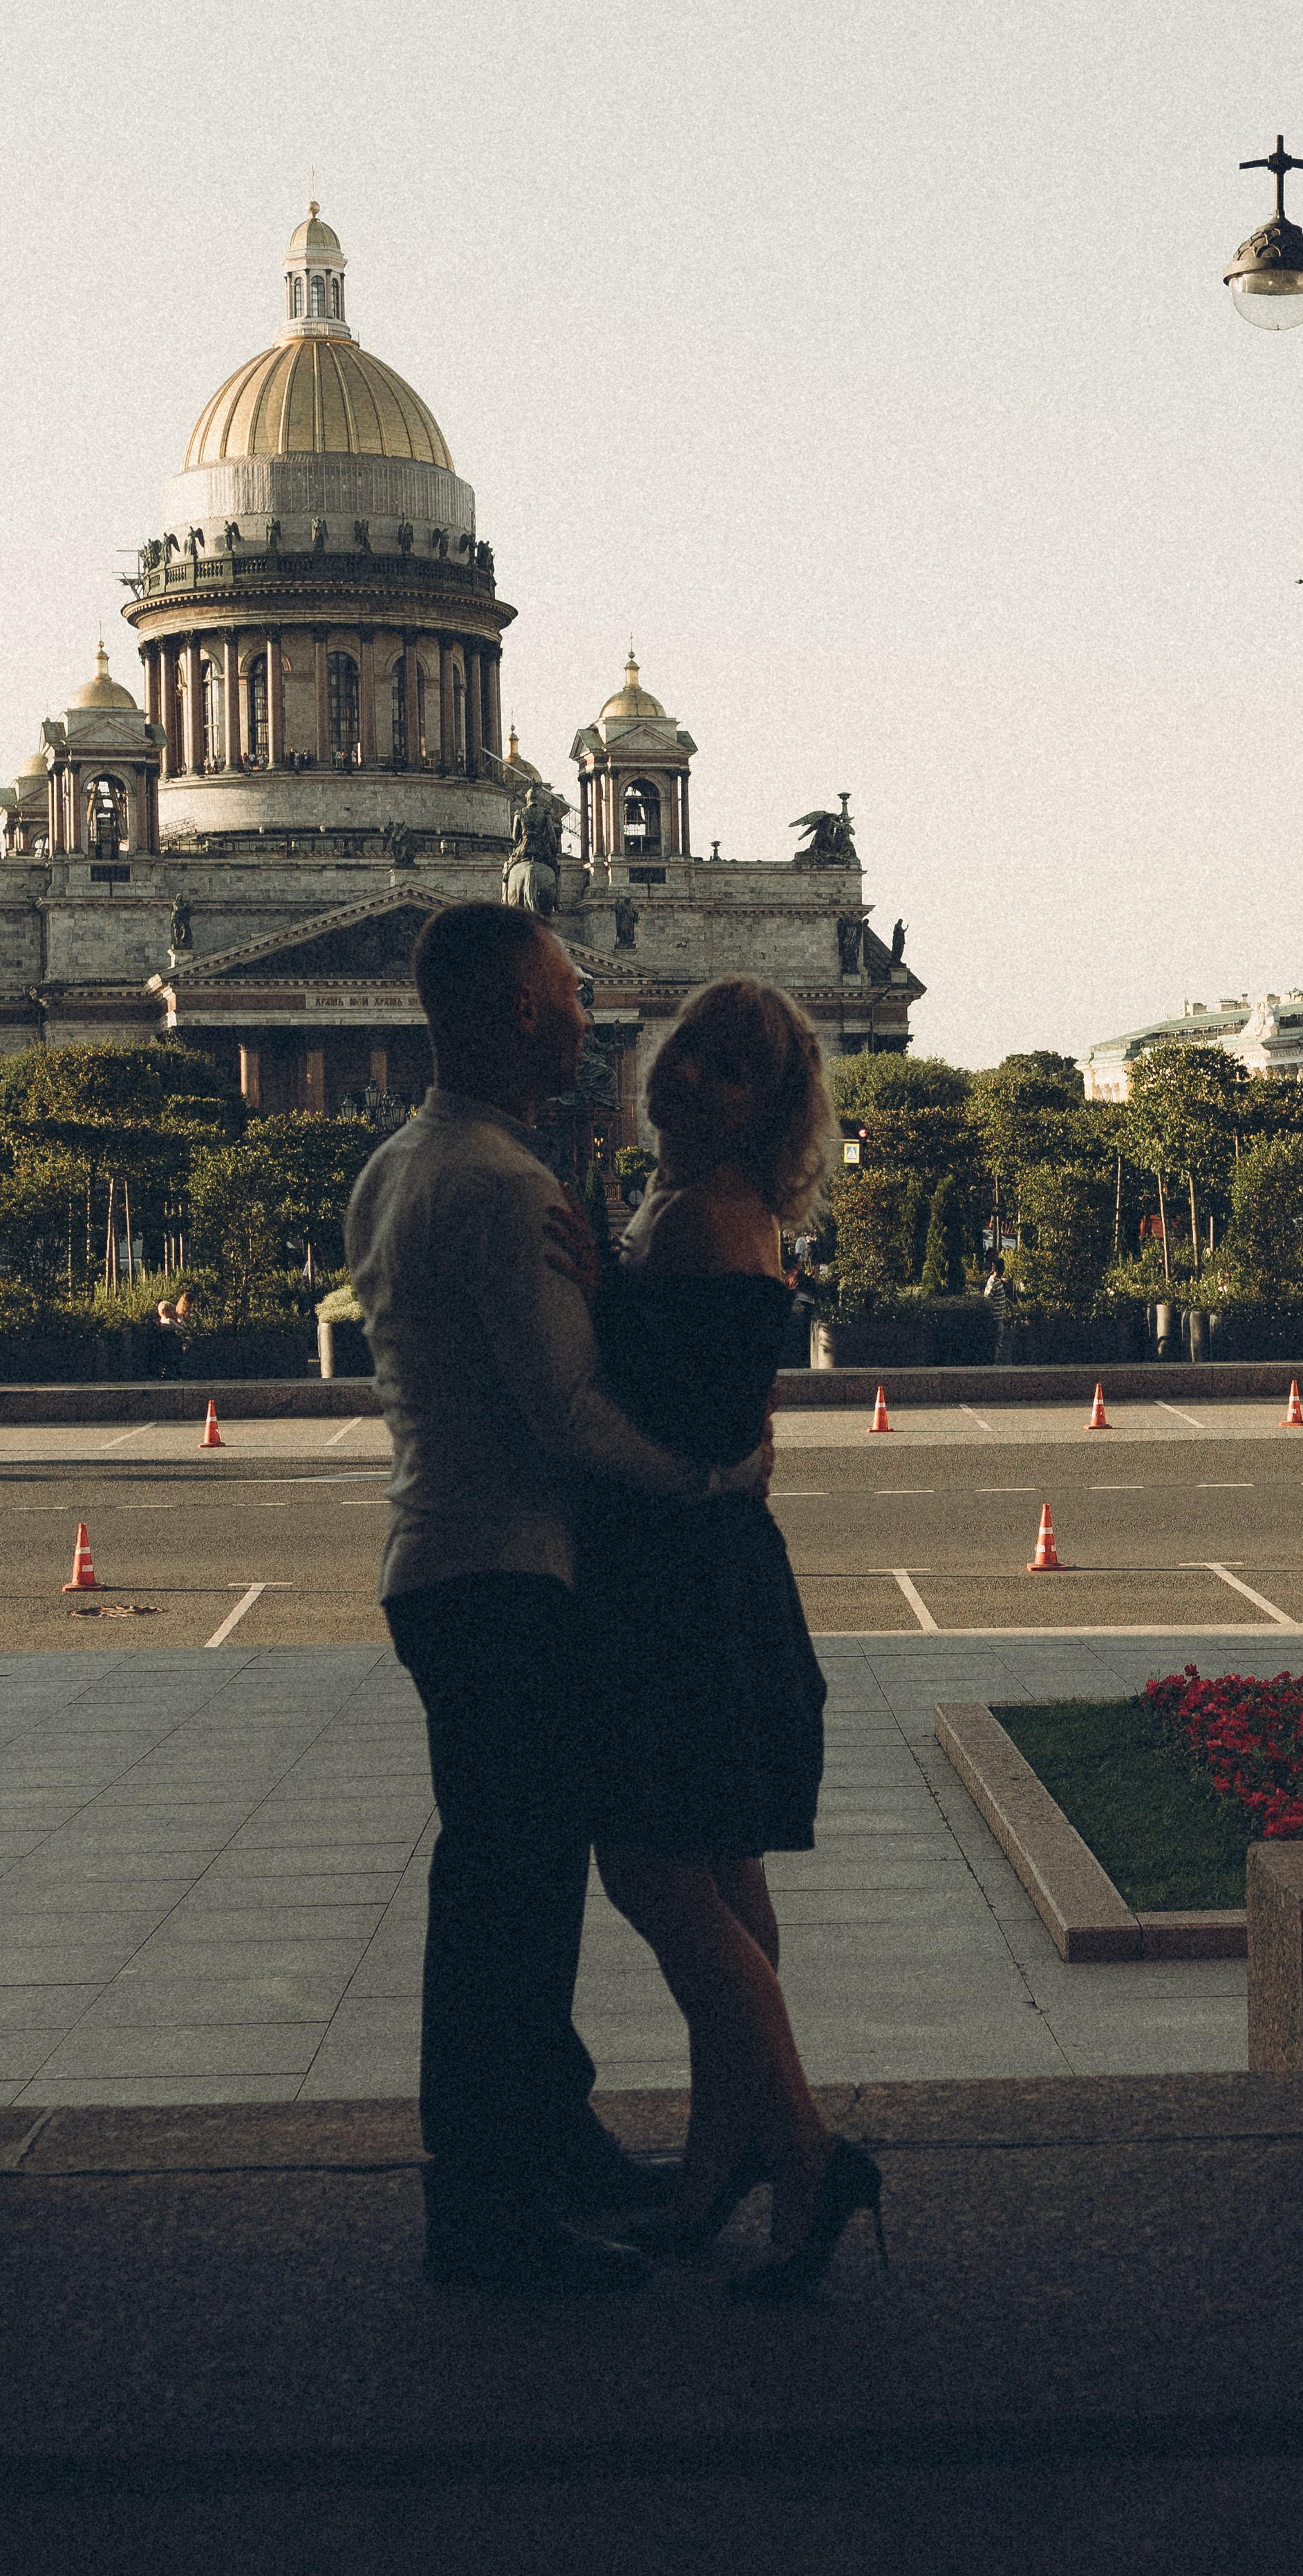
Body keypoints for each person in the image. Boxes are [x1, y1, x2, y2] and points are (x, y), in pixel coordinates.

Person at [346, 903, 765, 2297]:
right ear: (522, 1012)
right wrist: (714, 1478)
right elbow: (569, 1414)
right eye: (572, 996)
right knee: (509, 1909)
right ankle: (487, 2209)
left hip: (442, 1558)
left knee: (512, 1883)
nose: (591, 1018)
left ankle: (551, 2139)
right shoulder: (502, 1185)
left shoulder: (403, 1162)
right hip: (506, 1574)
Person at [547, 978, 885, 2303]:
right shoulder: (700, 1206)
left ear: (766, 1108)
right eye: (689, 1050)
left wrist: (595, 1296)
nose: (689, 1076)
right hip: (710, 1571)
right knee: (726, 1874)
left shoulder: (702, 1219)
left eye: (729, 1068)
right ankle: (719, 2157)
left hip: (679, 1583)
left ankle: (803, 2146)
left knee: (650, 1866)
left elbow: (706, 1424)